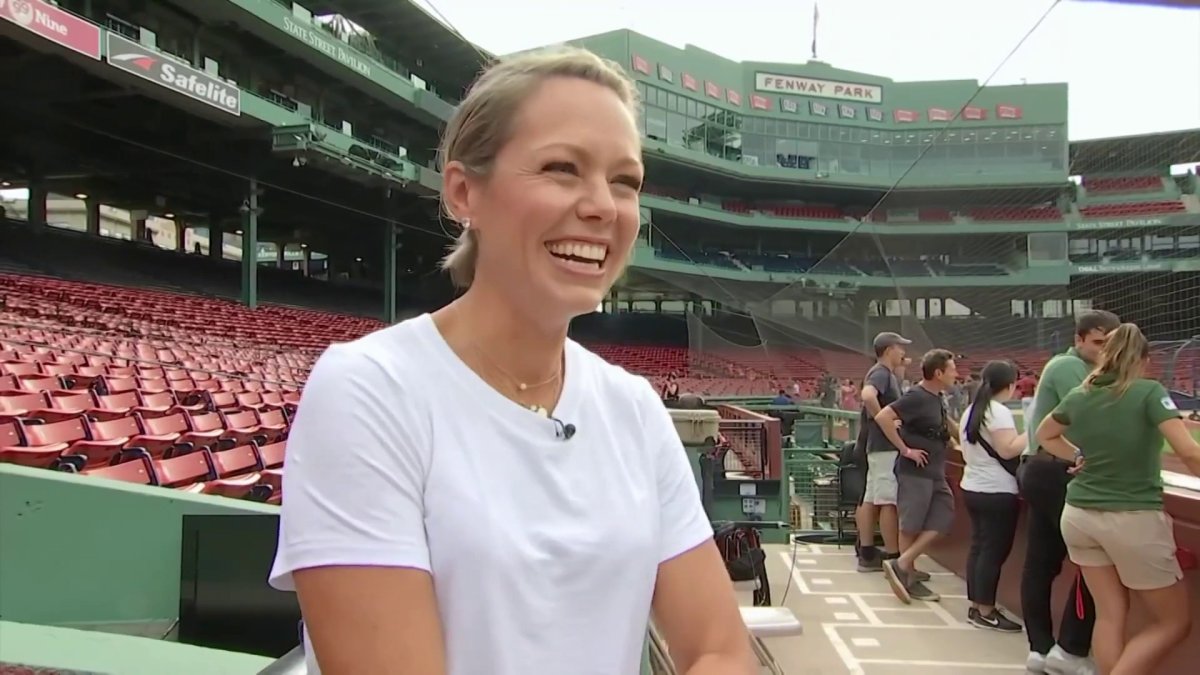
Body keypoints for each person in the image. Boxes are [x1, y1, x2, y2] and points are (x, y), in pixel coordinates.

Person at [268, 47, 756, 675]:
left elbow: (718, 649)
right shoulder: (370, 389)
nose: (603, 206)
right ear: (465, 191)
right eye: (561, 168)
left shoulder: (634, 409)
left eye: (625, 181)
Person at [1037, 323, 1200, 675]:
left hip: (1079, 514)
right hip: (1131, 517)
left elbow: (1044, 433)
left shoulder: (1081, 393)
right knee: (1173, 622)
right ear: (1144, 359)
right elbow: (1188, 452)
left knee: (1110, 614)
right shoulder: (1148, 392)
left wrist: (1075, 456)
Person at [1019, 309, 1120, 675]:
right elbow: (1093, 415)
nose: (1104, 350)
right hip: (1054, 470)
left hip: (1047, 468)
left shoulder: (1077, 367)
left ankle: (1043, 649)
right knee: (1093, 558)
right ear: (1078, 340)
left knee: (1043, 562)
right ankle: (1070, 649)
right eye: (1097, 343)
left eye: (1110, 343)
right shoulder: (1068, 367)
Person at [876, 348, 959, 603]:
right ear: (938, 373)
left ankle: (902, 563)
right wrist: (905, 450)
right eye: (952, 369)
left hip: (934, 470)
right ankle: (906, 576)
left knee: (943, 516)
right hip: (916, 471)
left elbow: (948, 426)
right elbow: (883, 416)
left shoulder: (936, 397)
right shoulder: (917, 396)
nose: (956, 374)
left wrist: (964, 443)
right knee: (910, 524)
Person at [959, 360, 1027, 632]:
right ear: (1010, 385)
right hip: (996, 490)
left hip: (974, 486)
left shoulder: (972, 410)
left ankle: (978, 605)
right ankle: (985, 609)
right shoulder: (997, 411)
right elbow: (1008, 450)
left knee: (979, 548)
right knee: (992, 551)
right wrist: (1032, 432)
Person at [854, 332, 913, 573]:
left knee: (871, 497)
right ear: (889, 349)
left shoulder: (886, 373)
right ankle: (893, 557)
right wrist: (883, 419)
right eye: (900, 348)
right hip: (885, 446)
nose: (904, 353)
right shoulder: (880, 372)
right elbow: (868, 395)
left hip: (877, 447)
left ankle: (867, 551)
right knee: (888, 500)